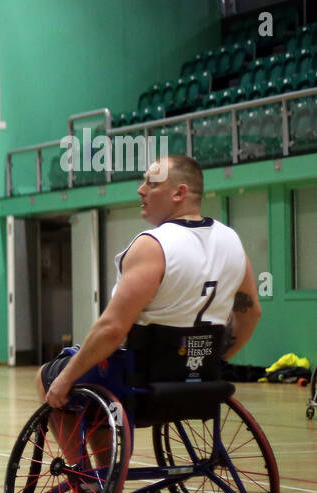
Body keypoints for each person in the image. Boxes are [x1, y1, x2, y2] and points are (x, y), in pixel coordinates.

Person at [40, 155, 262, 411]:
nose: (140, 189)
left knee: (49, 377)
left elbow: (112, 329)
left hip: (141, 382)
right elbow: (251, 313)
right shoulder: (232, 240)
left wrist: (64, 379)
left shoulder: (153, 245)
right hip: (203, 379)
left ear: (179, 193)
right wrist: (215, 362)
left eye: (151, 183)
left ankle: (87, 454)